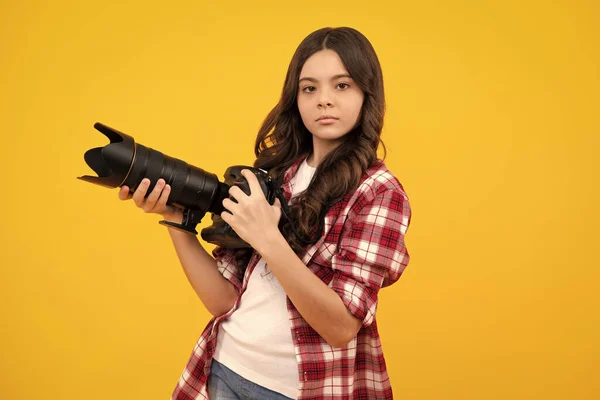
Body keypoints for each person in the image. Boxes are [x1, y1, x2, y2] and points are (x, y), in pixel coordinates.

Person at [119, 26, 411, 400]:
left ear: (367, 94)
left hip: (298, 390)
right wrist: (178, 221)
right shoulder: (278, 175)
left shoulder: (378, 191)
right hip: (223, 367)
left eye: (342, 85)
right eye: (310, 88)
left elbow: (340, 327)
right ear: (296, 98)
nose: (324, 100)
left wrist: (269, 240)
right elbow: (223, 300)